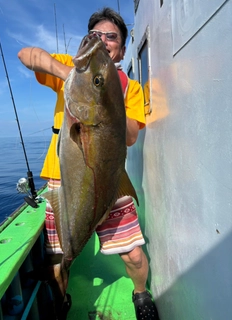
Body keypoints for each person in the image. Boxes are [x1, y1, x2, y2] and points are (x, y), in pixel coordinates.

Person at [18, 7, 159, 320]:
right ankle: (61, 300)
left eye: (111, 37)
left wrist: (106, 98)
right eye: (95, 34)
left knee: (133, 254)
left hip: (109, 182)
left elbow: (132, 136)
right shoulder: (72, 70)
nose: (102, 40)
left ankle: (141, 293)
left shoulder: (130, 88)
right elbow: (26, 54)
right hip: (62, 183)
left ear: (121, 49)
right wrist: (73, 75)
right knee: (59, 258)